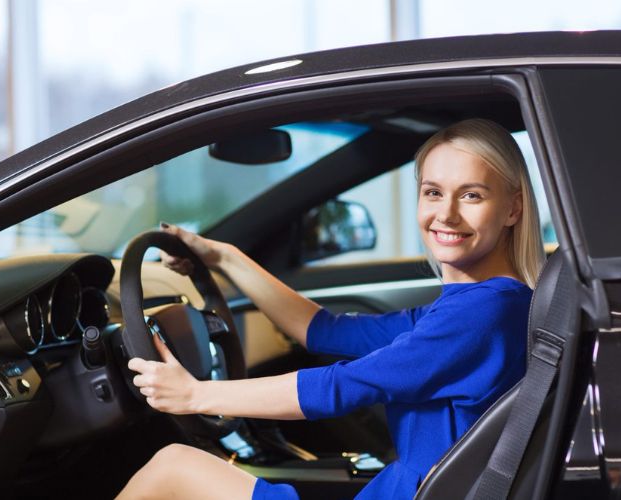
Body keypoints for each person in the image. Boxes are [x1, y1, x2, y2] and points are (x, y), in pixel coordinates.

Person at [117, 118, 545, 500]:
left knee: (173, 466)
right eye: (433, 192)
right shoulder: (480, 306)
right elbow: (323, 330)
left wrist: (195, 395)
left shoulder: (482, 315)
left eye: (471, 195)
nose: (445, 214)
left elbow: (340, 386)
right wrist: (223, 257)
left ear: (513, 208)